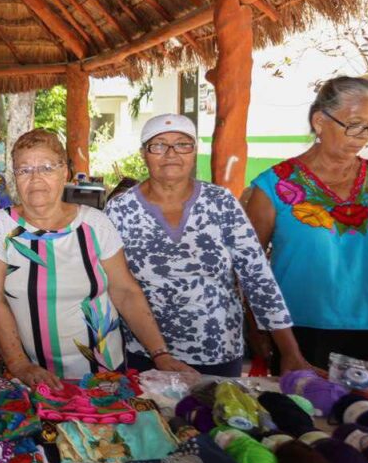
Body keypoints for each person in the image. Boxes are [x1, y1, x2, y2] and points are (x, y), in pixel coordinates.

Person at [0, 129, 196, 387]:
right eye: (24, 170)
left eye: (47, 167)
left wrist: (160, 353)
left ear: (65, 172)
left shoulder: (94, 223)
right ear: (15, 176)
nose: (35, 178)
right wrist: (19, 365)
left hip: (103, 373)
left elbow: (125, 291)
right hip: (33, 374)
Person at [104, 114, 313, 377]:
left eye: (183, 144)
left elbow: (257, 276)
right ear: (144, 153)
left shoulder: (221, 202)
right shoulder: (120, 209)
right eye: (158, 145)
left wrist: (290, 352)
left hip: (217, 349)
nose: (171, 153)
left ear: (194, 152)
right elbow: (115, 284)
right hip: (144, 352)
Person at [246, 76, 368, 372]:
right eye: (354, 124)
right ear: (320, 121)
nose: (364, 135)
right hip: (296, 332)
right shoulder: (276, 185)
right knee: (303, 415)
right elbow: (250, 265)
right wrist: (255, 326)